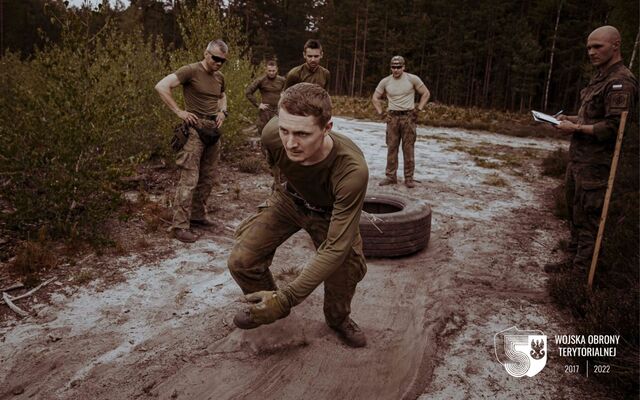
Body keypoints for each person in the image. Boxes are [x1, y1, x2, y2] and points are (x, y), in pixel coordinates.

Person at [227, 83, 369, 348]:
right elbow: (276, 168)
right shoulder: (271, 135)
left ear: (327, 128)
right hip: (289, 200)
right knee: (241, 260)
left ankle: (339, 320)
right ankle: (272, 313)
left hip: (329, 214)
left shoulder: (351, 171)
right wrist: (278, 304)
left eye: (302, 134)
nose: (290, 143)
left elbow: (335, 247)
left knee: (343, 274)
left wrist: (287, 297)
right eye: (285, 130)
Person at [545, 26, 638, 273]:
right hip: (579, 161)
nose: (591, 52)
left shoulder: (621, 82)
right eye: (588, 47)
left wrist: (575, 128)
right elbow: (592, 116)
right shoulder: (600, 77)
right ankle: (572, 261)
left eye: (598, 46)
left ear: (616, 45)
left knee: (589, 218)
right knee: (575, 213)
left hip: (597, 164)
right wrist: (572, 119)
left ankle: (582, 273)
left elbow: (614, 127)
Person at [155, 39, 229, 243]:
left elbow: (222, 96)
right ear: (206, 54)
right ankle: (179, 227)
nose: (218, 63)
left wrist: (223, 111)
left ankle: (197, 217)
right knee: (189, 179)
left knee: (208, 177)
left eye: (222, 60)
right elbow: (161, 86)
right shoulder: (190, 70)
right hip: (194, 131)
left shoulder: (219, 77)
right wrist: (179, 111)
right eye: (215, 58)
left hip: (212, 131)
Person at [372, 56, 430, 188]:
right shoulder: (385, 81)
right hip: (392, 118)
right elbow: (375, 98)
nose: (396, 70)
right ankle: (390, 176)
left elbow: (426, 93)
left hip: (408, 117)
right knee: (392, 147)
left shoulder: (412, 79)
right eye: (393, 67)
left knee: (408, 148)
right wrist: (381, 113)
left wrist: (418, 109)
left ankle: (409, 178)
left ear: (404, 67)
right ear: (390, 68)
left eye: (399, 67)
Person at [245, 60, 286, 135]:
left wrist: (284, 96)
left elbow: (289, 91)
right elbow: (248, 92)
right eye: (269, 71)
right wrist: (258, 104)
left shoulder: (282, 80)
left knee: (279, 133)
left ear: (276, 69)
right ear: (266, 70)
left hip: (278, 111)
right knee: (264, 133)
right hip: (265, 112)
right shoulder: (261, 80)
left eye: (273, 71)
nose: (271, 73)